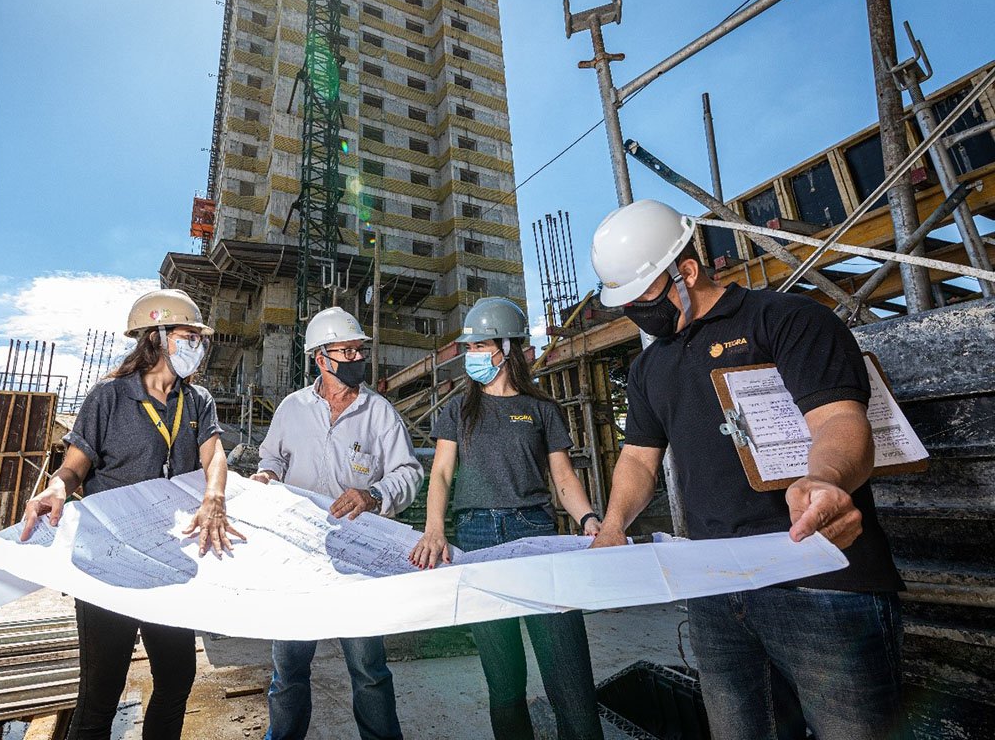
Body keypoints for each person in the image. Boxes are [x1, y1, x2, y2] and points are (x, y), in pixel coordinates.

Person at [589, 199, 905, 740]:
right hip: (715, 584)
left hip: (822, 580)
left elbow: (840, 421)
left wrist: (826, 481)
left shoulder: (785, 320)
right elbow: (640, 458)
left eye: (642, 298)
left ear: (685, 271)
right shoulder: (649, 368)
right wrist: (614, 526)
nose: (637, 314)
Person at [20, 288, 243, 740]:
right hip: (110, 561)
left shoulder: (197, 400)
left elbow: (214, 455)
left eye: (198, 338)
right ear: (157, 336)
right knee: (100, 694)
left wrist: (214, 496)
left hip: (168, 562)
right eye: (187, 335)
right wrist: (56, 488)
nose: (196, 346)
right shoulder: (109, 396)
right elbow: (74, 466)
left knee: (178, 679)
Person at [408, 297, 605, 740]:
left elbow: (563, 478)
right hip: (476, 539)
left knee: (568, 673)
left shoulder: (541, 409)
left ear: (506, 347)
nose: (471, 355)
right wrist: (434, 529)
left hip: (534, 533)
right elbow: (440, 473)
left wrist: (591, 519)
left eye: (479, 346)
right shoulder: (458, 410)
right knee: (504, 681)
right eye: (470, 347)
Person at [253, 306, 423, 740]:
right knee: (288, 669)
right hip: (298, 558)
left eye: (359, 349)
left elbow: (408, 472)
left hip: (356, 557)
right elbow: (272, 457)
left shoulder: (379, 412)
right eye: (344, 350)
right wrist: (267, 475)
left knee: (368, 669)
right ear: (320, 359)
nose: (355, 357)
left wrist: (374, 495)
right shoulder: (292, 409)